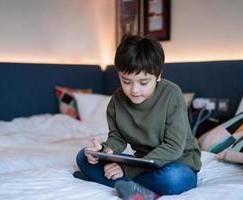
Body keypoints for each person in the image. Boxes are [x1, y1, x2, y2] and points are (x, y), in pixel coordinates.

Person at [74, 34, 202, 200]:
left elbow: (173, 147)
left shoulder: (172, 94)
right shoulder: (116, 101)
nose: (134, 90)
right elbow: (117, 138)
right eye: (126, 81)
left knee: (173, 179)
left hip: (178, 162)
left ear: (158, 75)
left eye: (143, 83)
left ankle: (110, 180)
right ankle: (138, 188)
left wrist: (128, 170)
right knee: (83, 156)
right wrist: (104, 151)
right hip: (143, 162)